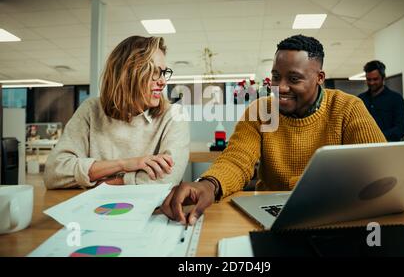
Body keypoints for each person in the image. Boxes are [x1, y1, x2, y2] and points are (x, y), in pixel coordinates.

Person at [160, 34, 386, 225]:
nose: (280, 87)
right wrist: (209, 184)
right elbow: (237, 160)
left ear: (319, 78)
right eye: (276, 77)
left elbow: (378, 167)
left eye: (294, 79)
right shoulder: (260, 110)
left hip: (334, 209)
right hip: (271, 210)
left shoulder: (347, 108)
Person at [44, 36, 190, 189]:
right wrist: (125, 164)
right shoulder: (91, 109)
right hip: (94, 209)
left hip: (150, 210)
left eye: (163, 72)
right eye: (154, 72)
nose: (163, 82)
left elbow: (167, 178)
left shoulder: (174, 114)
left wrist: (107, 182)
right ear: (127, 73)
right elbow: (54, 172)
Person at [358, 60, 404, 142]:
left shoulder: (396, 99)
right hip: (366, 147)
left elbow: (401, 129)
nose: (371, 82)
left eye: (375, 79)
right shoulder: (360, 100)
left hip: (389, 148)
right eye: (368, 79)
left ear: (383, 78)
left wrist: (376, 137)